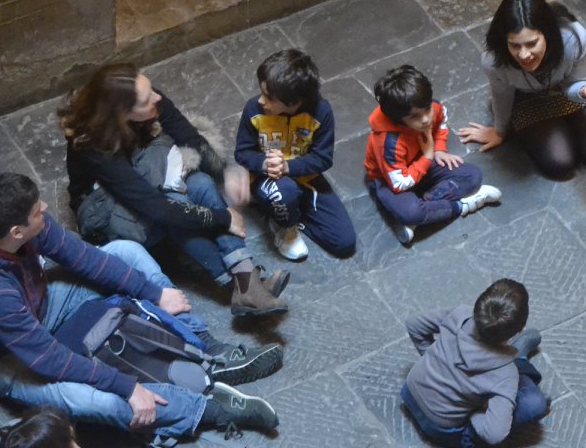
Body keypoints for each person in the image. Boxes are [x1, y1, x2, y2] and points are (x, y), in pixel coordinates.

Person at [0, 171, 280, 445]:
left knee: (126, 252)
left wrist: (152, 293)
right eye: (39, 212)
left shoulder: (16, 223)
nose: (46, 211)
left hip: (38, 304)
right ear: (17, 231)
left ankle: (210, 352)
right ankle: (208, 409)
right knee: (84, 398)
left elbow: (81, 256)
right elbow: (48, 359)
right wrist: (125, 386)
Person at [60, 63, 289, 316]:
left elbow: (188, 138)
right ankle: (243, 284)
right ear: (123, 115)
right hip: (102, 206)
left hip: (141, 168)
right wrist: (223, 217)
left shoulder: (149, 100)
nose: (157, 97)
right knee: (174, 211)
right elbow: (155, 207)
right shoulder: (94, 145)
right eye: (148, 99)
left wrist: (225, 173)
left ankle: (246, 283)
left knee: (201, 183)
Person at [457, 0, 586, 180]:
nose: (524, 55)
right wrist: (499, 131)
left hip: (573, 81)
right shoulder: (494, 60)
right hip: (527, 95)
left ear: (547, 33)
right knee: (560, 163)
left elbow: (576, 84)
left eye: (532, 43)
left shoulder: (574, 37)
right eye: (515, 46)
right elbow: (501, 95)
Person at [231, 48, 356, 262]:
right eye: (261, 92)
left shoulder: (321, 112)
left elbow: (322, 158)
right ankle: (283, 224)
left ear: (294, 102)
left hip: (304, 177)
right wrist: (264, 164)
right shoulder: (254, 110)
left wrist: (288, 167)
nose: (261, 101)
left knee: (343, 242)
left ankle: (287, 211)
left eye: (269, 97)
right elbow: (242, 152)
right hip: (266, 178)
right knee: (285, 190)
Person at [400, 278, 548, 448]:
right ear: (518, 330)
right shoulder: (505, 374)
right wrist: (477, 413)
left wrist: (433, 358)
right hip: (442, 430)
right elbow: (494, 435)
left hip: (409, 392)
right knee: (535, 403)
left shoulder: (460, 315)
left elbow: (413, 324)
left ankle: (517, 354)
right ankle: (518, 356)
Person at [364, 64, 502, 245]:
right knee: (411, 212)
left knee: (472, 175)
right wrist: (428, 156)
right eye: (415, 117)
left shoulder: (433, 108)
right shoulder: (388, 142)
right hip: (390, 179)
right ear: (398, 120)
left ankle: (422, 213)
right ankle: (461, 206)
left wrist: (439, 149)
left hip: (423, 163)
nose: (425, 119)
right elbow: (398, 184)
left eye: (426, 109)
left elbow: (440, 122)